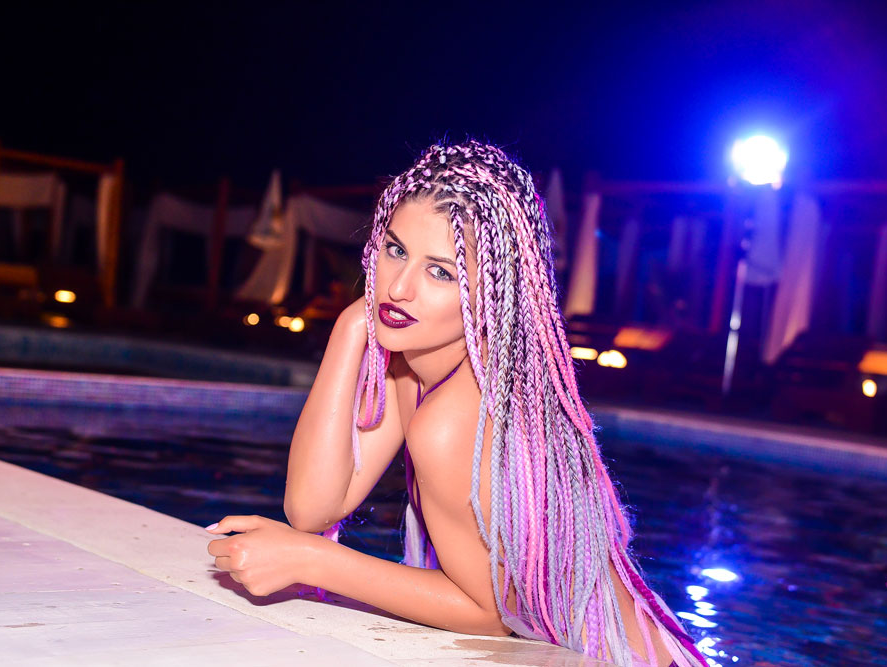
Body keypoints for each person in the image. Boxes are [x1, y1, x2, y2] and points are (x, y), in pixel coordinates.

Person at [207, 141, 705, 667]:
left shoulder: (455, 416)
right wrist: (351, 327)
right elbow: (311, 508)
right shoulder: (411, 368)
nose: (399, 287)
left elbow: (495, 613)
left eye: (441, 272)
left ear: (491, 293)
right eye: (395, 250)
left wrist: (313, 561)